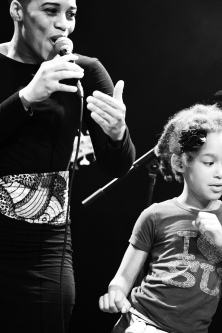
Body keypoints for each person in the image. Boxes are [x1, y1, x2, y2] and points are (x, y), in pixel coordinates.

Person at [0, 0, 136, 332]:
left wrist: (118, 134)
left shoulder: (86, 72)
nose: (64, 24)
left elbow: (117, 166)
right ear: (18, 11)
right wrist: (27, 96)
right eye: (51, 11)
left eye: (71, 14)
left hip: (47, 253)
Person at [98, 104, 222, 333]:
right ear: (180, 163)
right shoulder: (155, 215)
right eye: (209, 162)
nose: (220, 173)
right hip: (142, 323)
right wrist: (115, 293)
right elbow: (123, 276)